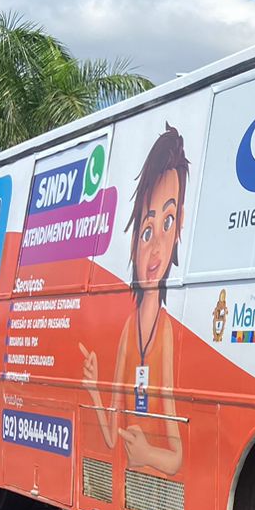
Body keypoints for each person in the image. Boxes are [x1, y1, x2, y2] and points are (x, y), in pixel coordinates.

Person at [80, 125, 187, 479]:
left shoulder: (167, 333)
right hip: (126, 505)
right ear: (133, 239)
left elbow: (175, 456)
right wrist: (95, 388)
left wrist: (146, 454)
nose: (155, 247)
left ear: (180, 226)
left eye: (167, 223)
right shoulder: (128, 330)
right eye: (146, 229)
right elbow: (111, 436)